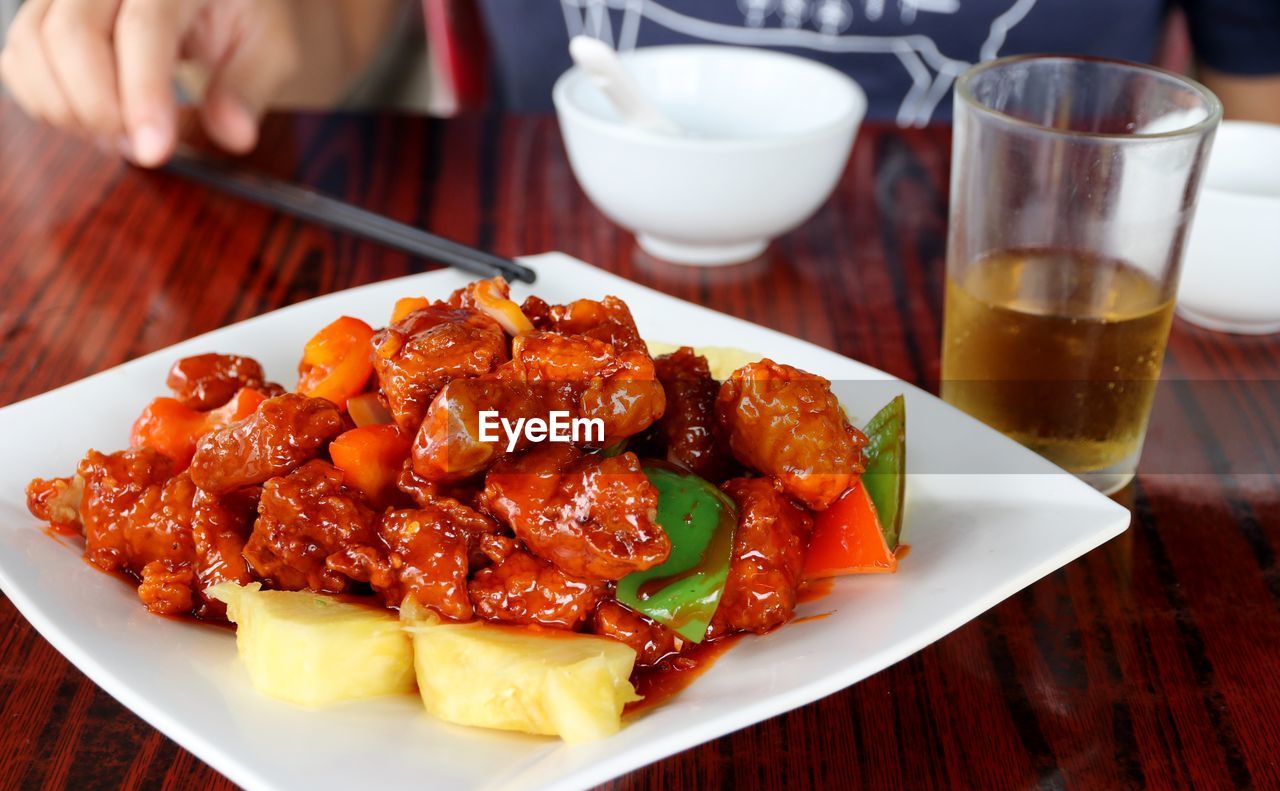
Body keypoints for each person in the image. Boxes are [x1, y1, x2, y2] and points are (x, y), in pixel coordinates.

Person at [1, 0, 1277, 168]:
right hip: (533, 275)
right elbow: (321, 35)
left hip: (1032, 330)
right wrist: (204, 35)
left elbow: (1255, 127)